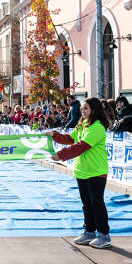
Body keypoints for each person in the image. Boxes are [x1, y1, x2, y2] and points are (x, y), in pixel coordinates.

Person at [46, 97, 111, 249]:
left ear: (94, 110)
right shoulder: (82, 125)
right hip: (82, 171)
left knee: (97, 203)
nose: (83, 111)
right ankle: (89, 231)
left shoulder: (97, 127)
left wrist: (60, 155)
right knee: (86, 204)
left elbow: (81, 146)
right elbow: (70, 139)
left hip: (96, 171)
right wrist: (55, 136)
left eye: (86, 108)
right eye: (82, 109)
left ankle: (104, 235)